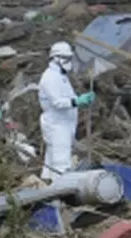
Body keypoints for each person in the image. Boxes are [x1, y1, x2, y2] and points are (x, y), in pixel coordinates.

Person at [38, 42, 94, 181]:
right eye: (66, 58)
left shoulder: (61, 76)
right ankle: (61, 188)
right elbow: (57, 102)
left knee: (51, 161)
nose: (69, 62)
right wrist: (77, 101)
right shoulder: (50, 77)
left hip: (64, 124)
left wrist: (82, 100)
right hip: (56, 125)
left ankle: (46, 184)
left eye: (70, 58)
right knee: (61, 162)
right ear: (56, 58)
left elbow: (69, 97)